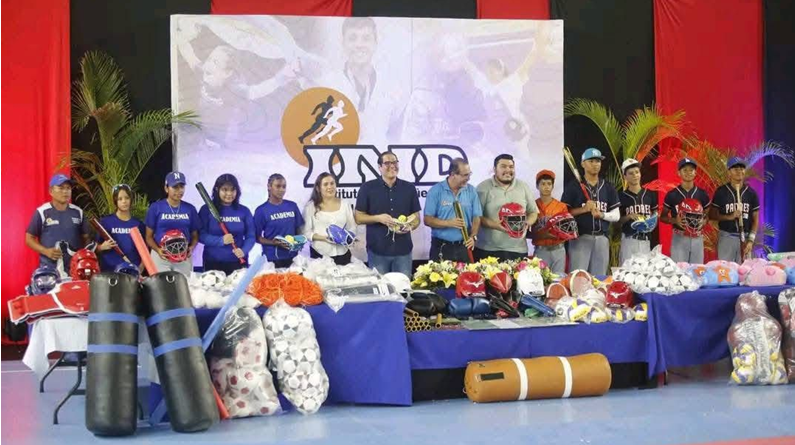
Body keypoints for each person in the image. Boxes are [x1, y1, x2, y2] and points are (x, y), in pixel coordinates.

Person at [355, 152, 421, 277]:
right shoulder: (367, 188)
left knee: (403, 287)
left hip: (403, 251)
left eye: (395, 162)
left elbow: (416, 218)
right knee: (381, 288)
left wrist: (410, 226)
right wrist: (378, 218)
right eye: (387, 163)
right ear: (379, 167)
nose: (392, 166)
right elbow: (358, 218)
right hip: (378, 251)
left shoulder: (409, 188)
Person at [561, 148, 620, 275]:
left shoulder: (608, 187)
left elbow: (616, 216)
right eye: (591, 161)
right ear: (583, 164)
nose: (595, 164)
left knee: (599, 279)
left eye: (598, 161)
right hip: (580, 238)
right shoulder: (573, 187)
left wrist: (602, 215)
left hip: (602, 239)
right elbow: (563, 215)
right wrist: (584, 209)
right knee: (578, 278)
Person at [475, 154, 538, 261]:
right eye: (503, 166)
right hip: (487, 249)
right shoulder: (483, 187)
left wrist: (527, 223)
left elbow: (533, 212)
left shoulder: (523, 186)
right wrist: (496, 225)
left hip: (518, 249)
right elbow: (477, 217)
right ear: (494, 169)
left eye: (511, 167)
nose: (508, 170)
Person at [424, 158, 483, 263]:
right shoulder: (435, 191)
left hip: (464, 246)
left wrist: (473, 236)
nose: (468, 178)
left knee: (467, 274)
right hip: (441, 246)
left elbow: (477, 216)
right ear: (452, 174)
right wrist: (448, 223)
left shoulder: (471, 190)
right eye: (465, 175)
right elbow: (427, 220)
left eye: (469, 174)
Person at [25, 174, 90, 268]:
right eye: (61, 188)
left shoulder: (78, 212)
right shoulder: (42, 212)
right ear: (51, 191)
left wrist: (82, 256)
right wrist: (46, 251)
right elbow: (29, 239)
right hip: (49, 269)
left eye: (68, 188)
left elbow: (86, 238)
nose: (65, 191)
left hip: (74, 269)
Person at [145, 171, 201, 276]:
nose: (179, 190)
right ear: (166, 188)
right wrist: (158, 250)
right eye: (175, 187)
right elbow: (148, 237)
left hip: (183, 257)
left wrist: (191, 247)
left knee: (183, 284)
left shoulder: (190, 209)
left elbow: (195, 235)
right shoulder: (156, 207)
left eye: (181, 187)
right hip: (161, 257)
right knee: (161, 285)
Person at [199, 174, 255, 274]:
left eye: (233, 190)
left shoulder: (244, 211)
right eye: (225, 190)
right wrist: (221, 240)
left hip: (238, 262)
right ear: (217, 189)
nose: (229, 193)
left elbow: (251, 236)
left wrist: (244, 251)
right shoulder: (206, 210)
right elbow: (200, 235)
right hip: (213, 262)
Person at [709, 157, 760, 262]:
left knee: (744, 270)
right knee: (726, 269)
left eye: (742, 168)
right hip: (727, 237)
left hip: (745, 238)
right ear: (729, 172)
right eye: (735, 169)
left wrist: (751, 240)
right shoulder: (721, 192)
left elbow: (755, 220)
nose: (739, 171)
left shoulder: (751, 193)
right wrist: (730, 216)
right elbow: (712, 215)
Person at [661, 158, 711, 264]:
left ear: (695, 173)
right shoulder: (672, 195)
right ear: (679, 173)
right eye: (685, 170)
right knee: (679, 270)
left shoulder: (702, 194)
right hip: (679, 237)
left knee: (696, 270)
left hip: (697, 238)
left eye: (691, 170)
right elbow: (663, 217)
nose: (688, 172)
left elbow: (708, 215)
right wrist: (675, 220)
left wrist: (704, 221)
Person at [303, 173, 356, 265]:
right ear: (318, 188)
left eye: (332, 183)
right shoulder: (310, 207)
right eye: (325, 184)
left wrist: (347, 239)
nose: (330, 187)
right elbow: (305, 232)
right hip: (320, 254)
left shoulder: (345, 204)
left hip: (343, 254)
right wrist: (324, 238)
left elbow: (352, 227)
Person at [254, 174, 305, 268]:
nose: (281, 190)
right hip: (272, 259)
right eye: (278, 186)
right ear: (269, 186)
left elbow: (299, 229)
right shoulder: (261, 210)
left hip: (293, 257)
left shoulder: (292, 206)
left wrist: (298, 242)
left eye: (284, 186)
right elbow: (256, 237)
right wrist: (273, 242)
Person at [96, 184, 145, 272]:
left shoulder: (138, 224)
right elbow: (94, 247)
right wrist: (101, 247)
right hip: (110, 272)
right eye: (120, 199)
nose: (124, 201)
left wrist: (141, 267)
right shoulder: (105, 222)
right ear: (115, 201)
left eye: (127, 198)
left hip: (132, 272)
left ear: (131, 199)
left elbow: (145, 250)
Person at [618, 159, 658, 265]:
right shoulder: (621, 196)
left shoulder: (650, 194)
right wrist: (628, 216)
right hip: (629, 240)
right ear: (625, 176)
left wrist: (652, 222)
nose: (635, 175)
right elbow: (617, 221)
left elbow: (655, 214)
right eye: (631, 173)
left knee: (644, 272)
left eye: (637, 172)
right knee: (627, 271)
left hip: (646, 240)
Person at [531, 170, 569, 275]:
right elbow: (528, 231)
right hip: (541, 250)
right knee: (540, 279)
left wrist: (558, 234)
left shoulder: (561, 206)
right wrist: (541, 234)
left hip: (558, 249)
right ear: (537, 186)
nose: (546, 187)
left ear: (552, 186)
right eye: (543, 184)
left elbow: (566, 229)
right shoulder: (532, 205)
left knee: (558, 278)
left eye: (549, 184)